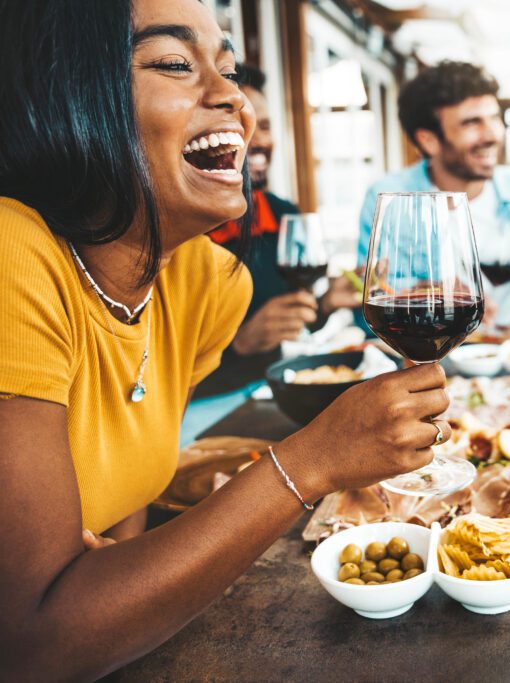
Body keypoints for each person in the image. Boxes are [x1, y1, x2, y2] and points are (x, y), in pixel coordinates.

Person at [0, 1, 451, 678]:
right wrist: (312, 458)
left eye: (229, 70)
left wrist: (106, 597)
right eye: (176, 64)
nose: (230, 97)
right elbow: (35, 643)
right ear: (70, 95)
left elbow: (126, 511)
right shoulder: (12, 252)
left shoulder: (207, 283)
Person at [356, 60, 510, 326]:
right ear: (428, 140)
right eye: (472, 123)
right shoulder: (388, 199)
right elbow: (372, 296)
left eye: (494, 118)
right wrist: (428, 290)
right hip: (437, 355)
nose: (492, 135)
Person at [196, 64, 352, 399]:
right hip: (204, 404)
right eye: (238, 125)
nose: (261, 139)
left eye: (265, 125)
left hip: (271, 391)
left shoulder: (285, 215)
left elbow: (291, 321)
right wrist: (239, 343)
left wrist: (323, 305)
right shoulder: (186, 232)